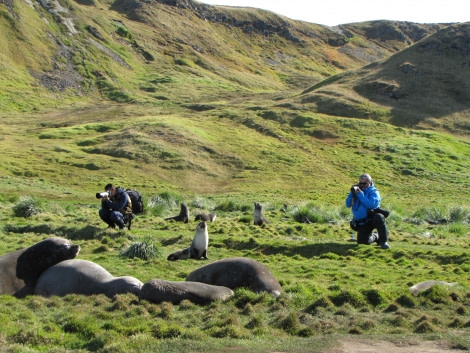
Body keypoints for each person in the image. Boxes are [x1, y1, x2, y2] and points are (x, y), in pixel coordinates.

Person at [345, 173, 390, 249]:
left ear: (369, 183)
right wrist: (351, 194)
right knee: (362, 241)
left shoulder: (374, 192)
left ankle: (383, 241)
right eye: (360, 183)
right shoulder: (356, 191)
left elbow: (371, 205)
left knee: (379, 217)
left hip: (371, 219)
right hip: (362, 222)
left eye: (364, 183)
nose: (362, 185)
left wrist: (360, 194)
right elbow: (348, 204)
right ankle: (376, 236)